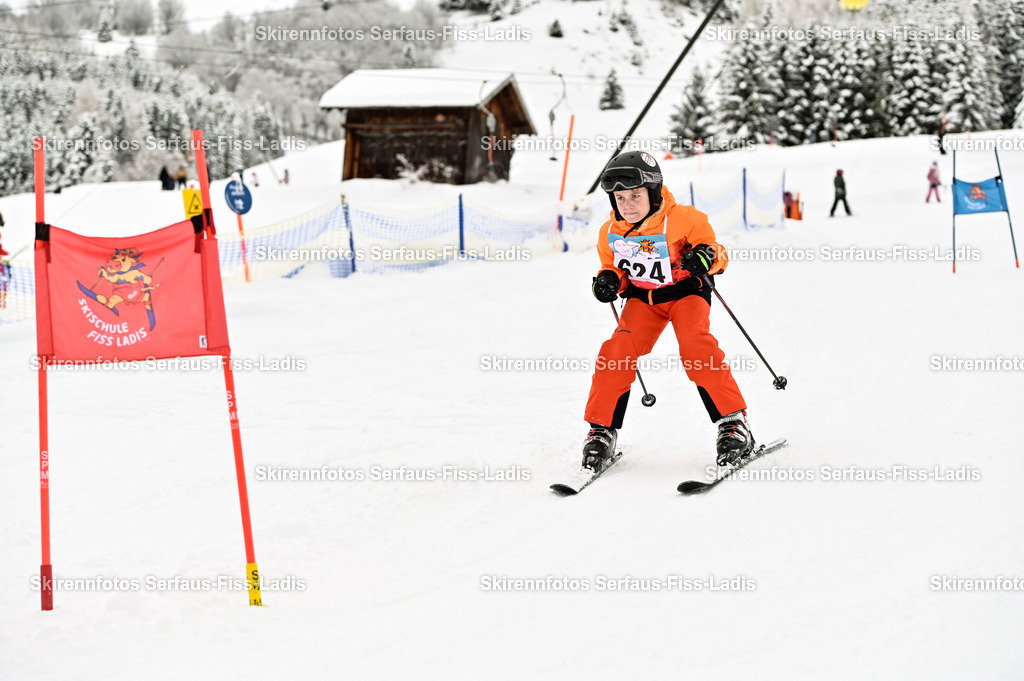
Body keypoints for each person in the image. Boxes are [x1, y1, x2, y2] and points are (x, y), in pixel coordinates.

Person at [582, 150, 754, 471]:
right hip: (643, 301)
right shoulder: (611, 232)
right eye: (620, 198)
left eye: (636, 195)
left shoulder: (684, 219)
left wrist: (705, 256)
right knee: (615, 351)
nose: (628, 204)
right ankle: (601, 430)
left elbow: (718, 254)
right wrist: (609, 280)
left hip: (685, 294)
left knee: (695, 345)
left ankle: (733, 423)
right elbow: (614, 267)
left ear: (654, 192)